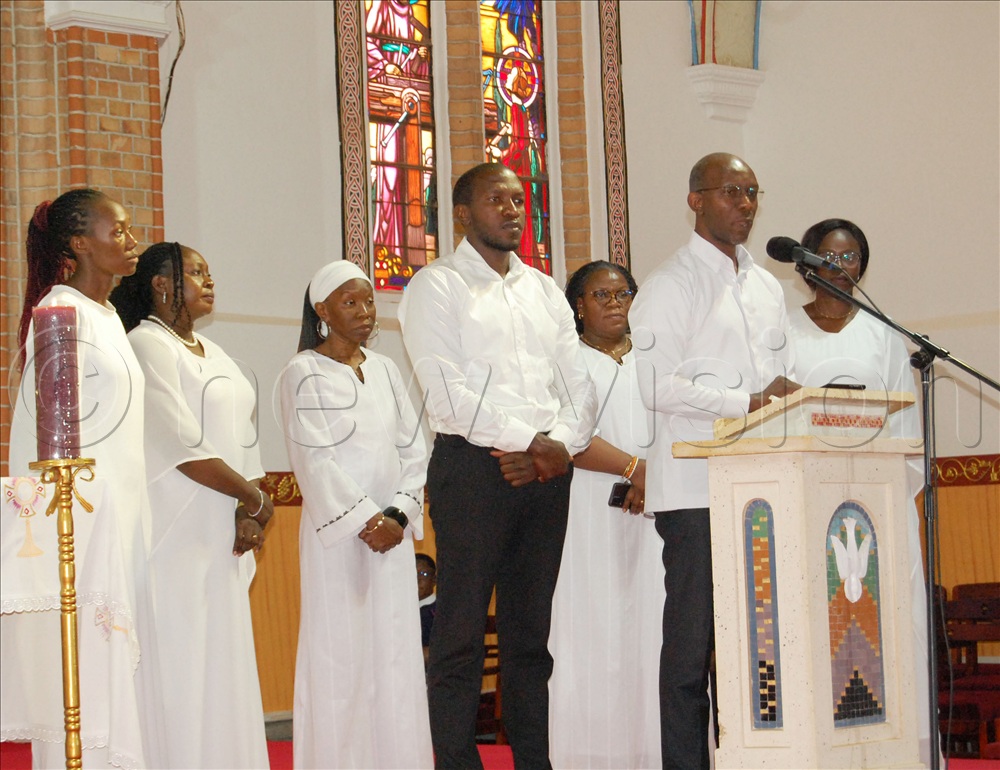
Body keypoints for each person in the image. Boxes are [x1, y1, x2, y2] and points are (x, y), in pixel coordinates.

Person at [398, 162, 597, 769]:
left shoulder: (542, 290)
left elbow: (581, 389)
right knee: (458, 635)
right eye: (496, 200)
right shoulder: (435, 286)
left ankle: (535, 762)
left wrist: (554, 446)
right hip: (473, 471)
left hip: (545, 473)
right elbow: (449, 396)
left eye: (519, 200)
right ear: (463, 214)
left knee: (529, 640)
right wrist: (533, 443)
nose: (512, 210)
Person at [629, 153, 798, 770]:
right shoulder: (670, 284)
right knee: (692, 650)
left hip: (765, 490)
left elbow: (783, 379)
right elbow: (653, 384)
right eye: (732, 192)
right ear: (696, 199)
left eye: (753, 192)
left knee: (758, 648)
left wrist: (788, 399)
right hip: (695, 493)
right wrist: (745, 403)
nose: (746, 204)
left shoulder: (766, 285)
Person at [2, 189, 163, 768]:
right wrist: (73, 521)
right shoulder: (59, 314)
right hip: (81, 521)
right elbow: (53, 438)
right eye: (115, 230)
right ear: (77, 244)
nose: (130, 239)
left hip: (120, 514)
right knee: (83, 674)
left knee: (117, 673)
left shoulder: (109, 317)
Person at [109, 242, 273, 769]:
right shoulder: (146, 345)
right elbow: (182, 444)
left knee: (222, 664)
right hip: (175, 531)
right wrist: (252, 498)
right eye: (197, 272)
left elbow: (245, 437)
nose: (210, 280)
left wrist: (250, 510)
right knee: (182, 667)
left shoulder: (217, 354)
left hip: (222, 532)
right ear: (162, 284)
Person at [786, 218, 932, 765]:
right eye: (827, 256)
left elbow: (906, 426)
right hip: (805, 510)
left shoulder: (885, 334)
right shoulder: (780, 330)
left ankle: (891, 747)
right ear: (806, 264)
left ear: (862, 267)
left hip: (876, 509)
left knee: (886, 633)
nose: (839, 267)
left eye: (849, 258)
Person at [278, 260, 432, 769]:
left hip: (391, 536)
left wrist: (400, 516)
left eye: (368, 301)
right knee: (340, 657)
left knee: (394, 658)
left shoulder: (386, 370)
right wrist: (368, 519)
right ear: (322, 310)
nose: (366, 312)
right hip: (341, 540)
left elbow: (415, 450)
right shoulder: (302, 373)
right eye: (351, 302)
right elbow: (314, 458)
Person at [547, 261, 664, 769]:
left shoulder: (658, 358)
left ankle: (657, 752)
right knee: (590, 630)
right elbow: (563, 437)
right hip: (586, 510)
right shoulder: (565, 360)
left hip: (659, 510)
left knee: (655, 631)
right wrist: (634, 468)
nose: (616, 302)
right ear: (578, 305)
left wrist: (653, 477)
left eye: (624, 293)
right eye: (602, 294)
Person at [416, 552, 437, 661]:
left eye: (423, 574)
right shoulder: (400, 611)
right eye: (411, 573)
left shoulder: (441, 613)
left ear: (434, 579)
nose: (416, 579)